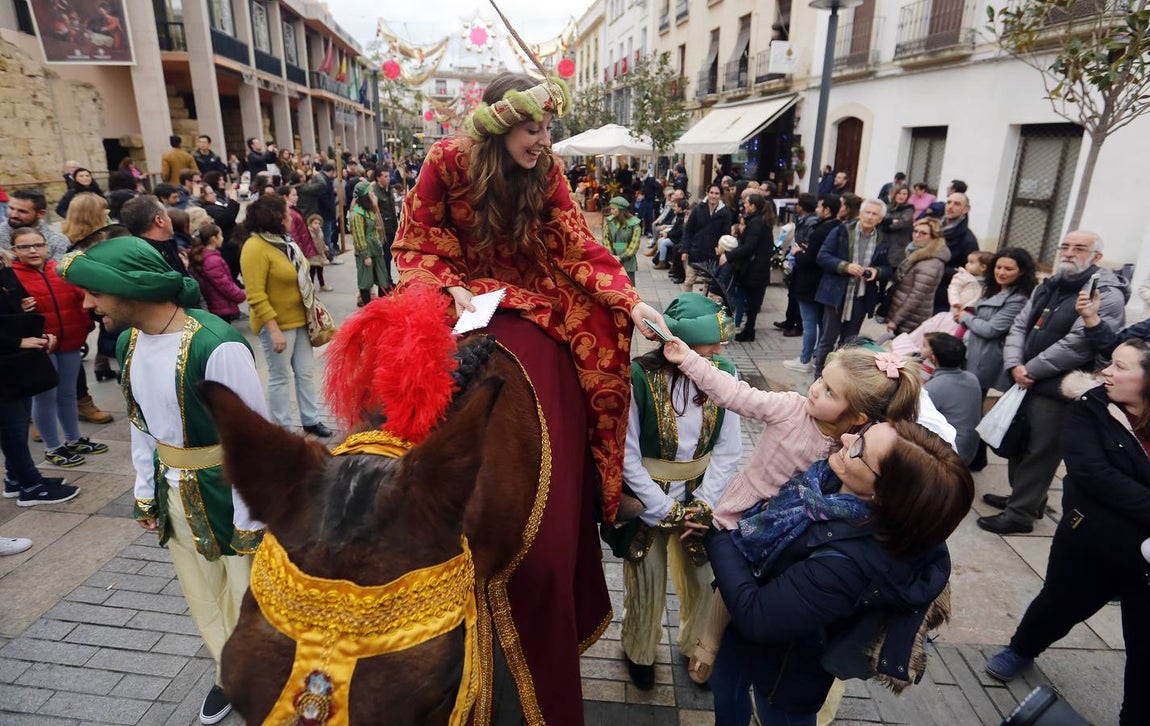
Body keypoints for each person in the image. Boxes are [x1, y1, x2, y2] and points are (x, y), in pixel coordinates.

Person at [392, 72, 667, 725]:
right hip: (456, 302)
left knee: (595, 354)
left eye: (548, 129)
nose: (544, 142)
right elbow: (414, 242)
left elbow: (575, 242)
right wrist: (446, 284)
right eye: (532, 129)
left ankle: (598, 489)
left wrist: (628, 297)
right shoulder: (444, 161)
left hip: (536, 305)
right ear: (496, 126)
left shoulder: (547, 174)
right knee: (394, 378)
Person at [60, 235, 268, 726]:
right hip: (174, 487)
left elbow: (255, 441)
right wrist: (145, 493)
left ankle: (264, 676)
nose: (87, 304)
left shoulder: (215, 345)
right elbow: (141, 423)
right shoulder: (130, 342)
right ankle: (228, 673)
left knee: (248, 595)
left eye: (94, 292)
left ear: (130, 289)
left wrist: (251, 517)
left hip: (229, 491)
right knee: (200, 593)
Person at [662, 339, 923, 685]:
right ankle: (707, 644)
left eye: (830, 392)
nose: (815, 391)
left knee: (766, 592)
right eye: (820, 380)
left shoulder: (853, 448)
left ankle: (752, 660)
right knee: (729, 584)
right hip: (746, 515)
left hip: (797, 531)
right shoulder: (790, 407)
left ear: (859, 417)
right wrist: (689, 359)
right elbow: (734, 394)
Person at [706, 419, 972, 725]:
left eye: (859, 446)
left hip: (785, 676)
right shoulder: (829, 485)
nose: (845, 438)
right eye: (862, 432)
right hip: (740, 639)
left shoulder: (847, 566)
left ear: (884, 495)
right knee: (727, 695)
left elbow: (756, 615)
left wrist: (724, 536)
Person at [984, 339, 1150, 725]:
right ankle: (1022, 648)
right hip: (1092, 539)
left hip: (1144, 560)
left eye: (1121, 366)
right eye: (1111, 363)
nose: (1107, 371)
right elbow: (1094, 474)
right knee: (1060, 603)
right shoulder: (1089, 407)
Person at [615, 293, 742, 690]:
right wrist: (663, 507)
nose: (719, 352)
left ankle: (696, 646)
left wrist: (704, 503)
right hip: (650, 496)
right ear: (681, 343)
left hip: (702, 495)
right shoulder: (638, 377)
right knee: (646, 578)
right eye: (711, 345)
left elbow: (729, 447)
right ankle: (639, 651)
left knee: (704, 579)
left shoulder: (724, 373)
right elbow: (627, 453)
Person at [979, 231, 1128, 535]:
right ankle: (1026, 499)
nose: (1070, 252)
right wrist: (1013, 364)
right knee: (1018, 441)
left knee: (1041, 450)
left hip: (1060, 387)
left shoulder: (1105, 293)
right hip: (1025, 377)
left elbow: (1079, 344)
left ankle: (1020, 515)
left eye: (1080, 248)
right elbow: (1020, 324)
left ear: (1096, 257)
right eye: (1066, 246)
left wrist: (1030, 368)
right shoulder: (1051, 285)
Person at [8, 228, 106, 468]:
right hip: (40, 346)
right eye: (24, 247)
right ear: (14, 251)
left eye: (38, 245)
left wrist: (84, 326)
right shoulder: (11, 278)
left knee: (68, 393)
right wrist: (19, 307)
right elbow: (8, 313)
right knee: (45, 396)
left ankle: (73, 439)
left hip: (70, 340)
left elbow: (79, 298)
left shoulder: (59, 270)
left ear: (47, 246)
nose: (32, 250)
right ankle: (53, 446)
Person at [238, 194, 331, 439]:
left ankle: (311, 420)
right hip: (277, 325)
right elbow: (256, 296)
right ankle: (283, 429)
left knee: (306, 372)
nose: (291, 217)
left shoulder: (285, 242)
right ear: (275, 218)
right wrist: (273, 330)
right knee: (280, 377)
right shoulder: (255, 247)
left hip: (301, 320)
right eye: (286, 214)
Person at [0, 247, 78, 510]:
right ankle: (31, 485)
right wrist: (17, 340)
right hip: (7, 355)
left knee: (19, 420)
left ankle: (16, 478)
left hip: (14, 359)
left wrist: (39, 334)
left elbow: (19, 306)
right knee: (12, 425)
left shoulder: (4, 264)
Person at [957, 247, 1036, 470]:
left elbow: (993, 328)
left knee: (975, 408)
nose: (1001, 272)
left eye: (1008, 268)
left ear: (1021, 272)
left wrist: (965, 317)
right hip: (974, 352)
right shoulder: (991, 289)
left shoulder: (1018, 299)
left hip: (989, 358)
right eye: (999, 267)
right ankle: (975, 456)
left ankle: (975, 457)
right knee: (974, 406)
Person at [813, 199, 891, 376]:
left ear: (880, 219)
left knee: (849, 343)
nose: (870, 217)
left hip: (861, 297)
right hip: (836, 295)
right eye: (867, 212)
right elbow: (823, 256)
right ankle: (820, 376)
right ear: (860, 214)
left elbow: (888, 268)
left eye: (875, 214)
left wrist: (876, 271)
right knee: (827, 339)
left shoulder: (882, 238)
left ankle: (840, 377)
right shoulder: (842, 230)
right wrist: (845, 266)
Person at [783, 194, 840, 374]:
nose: (817, 210)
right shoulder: (838, 228)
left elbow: (810, 260)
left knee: (809, 324)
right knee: (822, 324)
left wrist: (798, 252)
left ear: (827, 210)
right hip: (824, 284)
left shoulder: (821, 231)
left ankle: (804, 359)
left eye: (820, 207)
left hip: (809, 283)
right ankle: (819, 357)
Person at [921, 333, 982, 463]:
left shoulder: (933, 388)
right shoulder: (972, 378)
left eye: (924, 346)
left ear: (933, 357)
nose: (920, 349)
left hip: (949, 455)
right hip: (969, 449)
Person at [885, 217, 950, 335]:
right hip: (905, 314)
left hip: (912, 319)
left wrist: (896, 320)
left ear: (934, 237)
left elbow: (916, 296)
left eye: (923, 233)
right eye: (915, 231)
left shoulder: (931, 263)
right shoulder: (917, 252)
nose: (917, 235)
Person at [723, 193, 772, 342]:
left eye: (746, 203)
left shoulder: (756, 223)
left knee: (751, 302)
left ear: (753, 206)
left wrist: (729, 256)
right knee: (751, 302)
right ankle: (748, 329)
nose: (743, 205)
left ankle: (748, 330)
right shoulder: (758, 221)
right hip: (756, 269)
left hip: (754, 270)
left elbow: (749, 247)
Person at [120, 195, 192, 277]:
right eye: (167, 215)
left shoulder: (135, 255)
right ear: (159, 220)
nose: (170, 219)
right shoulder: (153, 258)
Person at [931, 192, 979, 314]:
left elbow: (967, 272)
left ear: (966, 209)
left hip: (942, 294)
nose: (950, 206)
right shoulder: (933, 227)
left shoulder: (968, 240)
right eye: (949, 202)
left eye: (957, 204)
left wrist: (935, 269)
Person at [188, 223, 245, 322]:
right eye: (220, 235)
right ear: (213, 238)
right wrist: (240, 295)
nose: (222, 238)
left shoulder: (207, 256)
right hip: (219, 306)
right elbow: (224, 284)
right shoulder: (213, 260)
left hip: (216, 305)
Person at [347, 180, 390, 307]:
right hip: (365, 250)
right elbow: (359, 235)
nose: (373, 193)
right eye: (370, 191)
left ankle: (382, 305)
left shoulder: (370, 209)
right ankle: (367, 307)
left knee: (382, 278)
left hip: (375, 248)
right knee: (365, 280)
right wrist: (365, 255)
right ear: (365, 194)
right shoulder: (357, 213)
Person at [682, 184, 732, 292]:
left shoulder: (725, 212)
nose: (714, 196)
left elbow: (726, 236)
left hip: (712, 255)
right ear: (707, 194)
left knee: (708, 284)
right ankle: (685, 305)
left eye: (717, 193)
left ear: (720, 196)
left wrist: (723, 253)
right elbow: (688, 231)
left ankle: (703, 307)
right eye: (711, 193)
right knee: (688, 281)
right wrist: (685, 250)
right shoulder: (698, 209)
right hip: (695, 251)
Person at [603, 196, 642, 285]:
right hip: (612, 257)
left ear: (621, 210)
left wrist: (622, 257)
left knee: (628, 284)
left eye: (613, 209)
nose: (611, 211)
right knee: (614, 284)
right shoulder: (609, 222)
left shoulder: (634, 223)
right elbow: (605, 239)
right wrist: (612, 254)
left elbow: (635, 243)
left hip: (628, 259)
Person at [302, 214, 329, 291]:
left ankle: (322, 284)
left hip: (320, 254)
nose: (317, 225)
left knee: (320, 270)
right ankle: (311, 286)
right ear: (310, 223)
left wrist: (325, 248)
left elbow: (322, 241)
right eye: (315, 223)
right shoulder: (308, 232)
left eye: (319, 223)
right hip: (312, 255)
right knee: (312, 272)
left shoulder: (320, 231)